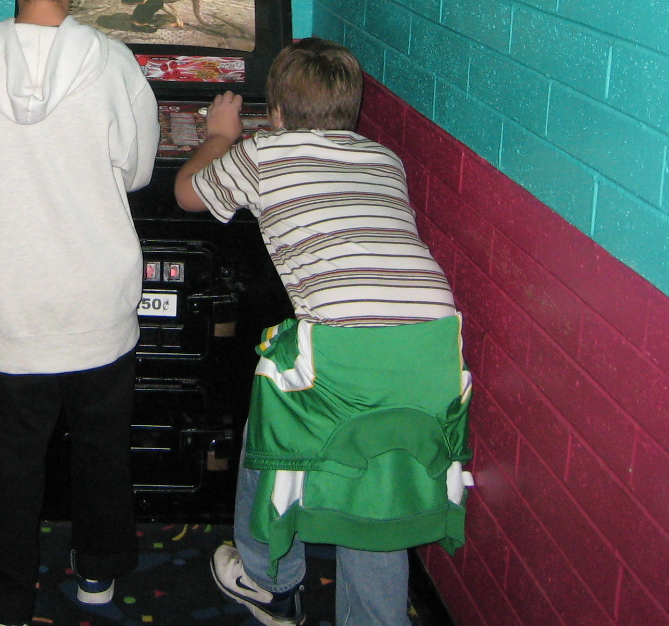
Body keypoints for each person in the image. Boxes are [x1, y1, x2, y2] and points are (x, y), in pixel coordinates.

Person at [175, 38, 466, 626]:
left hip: (344, 347)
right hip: (436, 345)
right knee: (376, 471)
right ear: (350, 110)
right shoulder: (384, 158)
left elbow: (187, 193)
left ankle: (268, 578)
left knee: (272, 423)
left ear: (277, 113)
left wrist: (221, 135)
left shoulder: (262, 152)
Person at [0, 0, 161, 626]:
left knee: (15, 459)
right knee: (102, 448)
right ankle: (98, 571)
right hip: (97, 302)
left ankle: (2, 598)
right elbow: (136, 171)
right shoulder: (114, 63)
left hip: (11, 306)